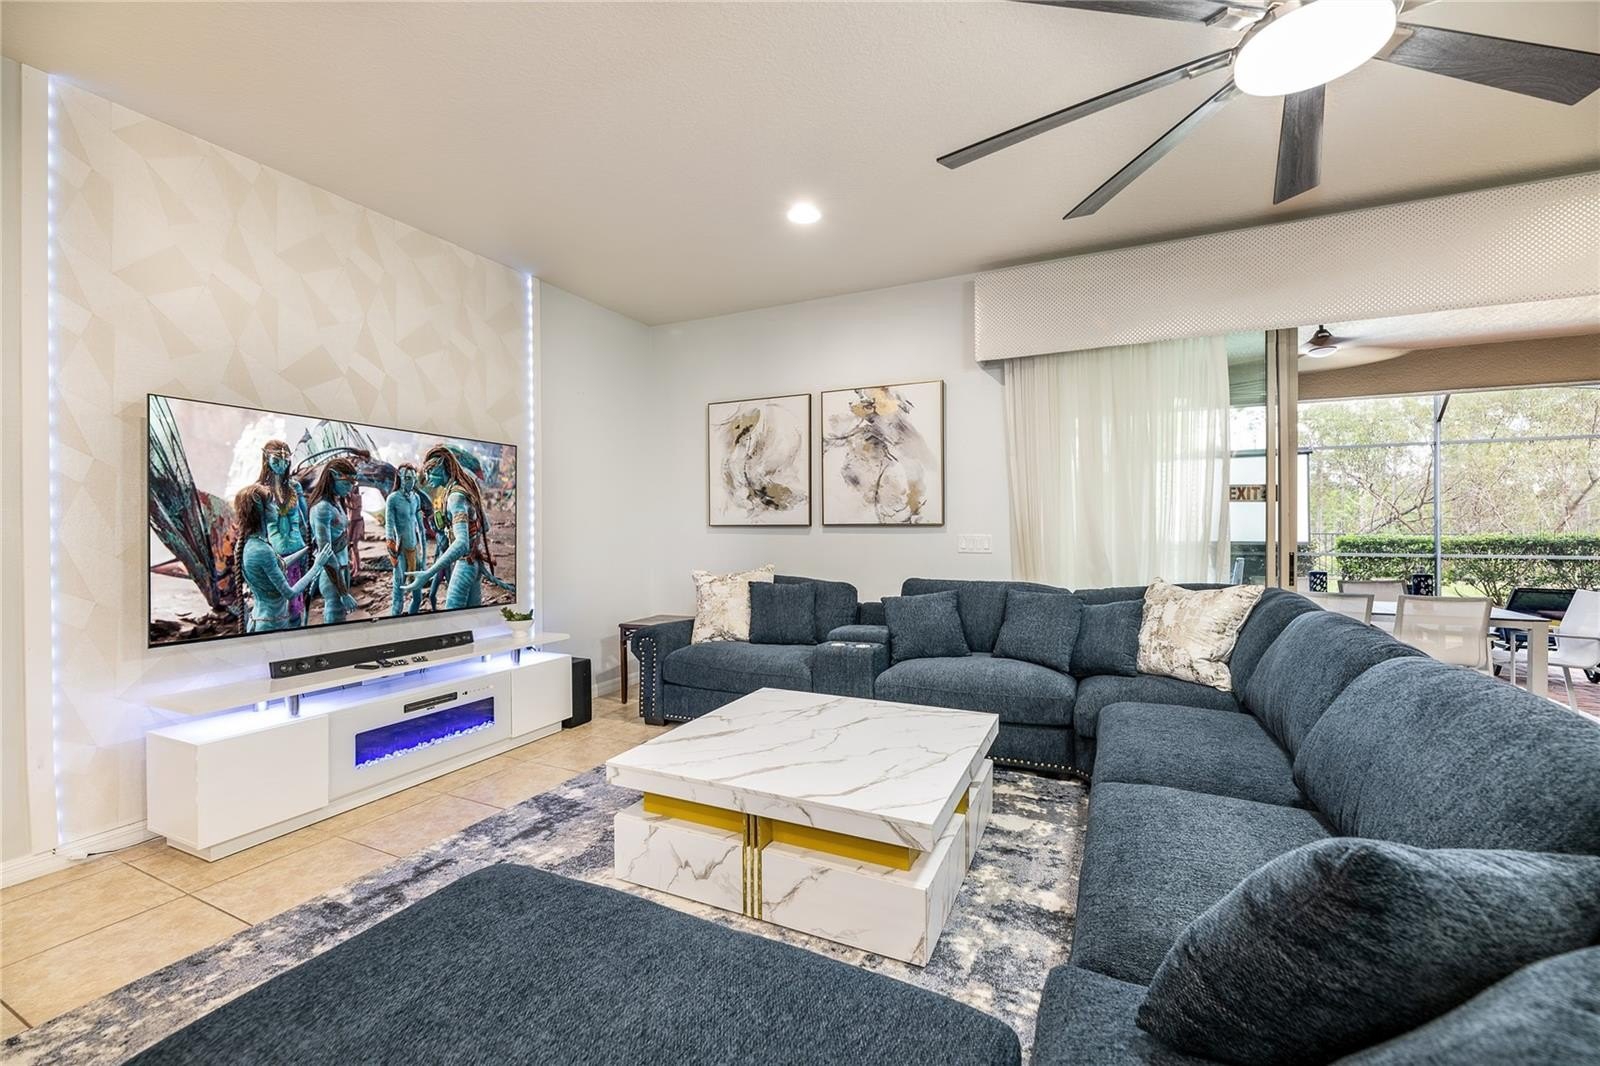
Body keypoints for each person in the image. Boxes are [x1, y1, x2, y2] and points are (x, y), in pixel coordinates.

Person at [402, 445, 499, 610]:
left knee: (453, 615)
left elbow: (462, 543)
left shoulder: (455, 497)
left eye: (430, 471)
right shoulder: (463, 490)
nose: (428, 477)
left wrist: (428, 573)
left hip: (465, 564)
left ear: (442, 468)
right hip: (474, 563)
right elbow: (485, 526)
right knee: (473, 615)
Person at [231, 484, 335, 633]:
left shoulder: (249, 544)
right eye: (272, 504)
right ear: (260, 508)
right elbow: (290, 593)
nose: (276, 508)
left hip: (259, 620)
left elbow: (276, 565)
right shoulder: (262, 550)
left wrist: (305, 550)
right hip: (272, 624)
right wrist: (317, 566)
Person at [255, 439, 311, 626]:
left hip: (298, 549)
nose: (282, 465)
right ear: (266, 459)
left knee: (296, 604)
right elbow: (256, 526)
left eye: (286, 461)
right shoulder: (258, 490)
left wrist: (310, 544)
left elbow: (304, 519)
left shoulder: (295, 487)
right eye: (276, 460)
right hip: (274, 554)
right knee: (277, 606)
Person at [308, 458, 360, 624]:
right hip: (331, 574)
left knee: (341, 617)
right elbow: (326, 553)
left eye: (352, 483)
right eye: (346, 483)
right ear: (333, 476)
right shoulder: (322, 508)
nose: (350, 488)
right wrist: (343, 593)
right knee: (334, 615)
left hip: (342, 568)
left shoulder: (336, 502)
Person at [384, 463, 427, 616]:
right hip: (400, 551)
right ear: (400, 477)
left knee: (417, 596)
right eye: (408, 478)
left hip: (414, 550)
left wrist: (424, 556)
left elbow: (421, 529)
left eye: (413, 478)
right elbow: (389, 528)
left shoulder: (416, 498)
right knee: (398, 597)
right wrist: (393, 557)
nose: (411, 482)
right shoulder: (393, 499)